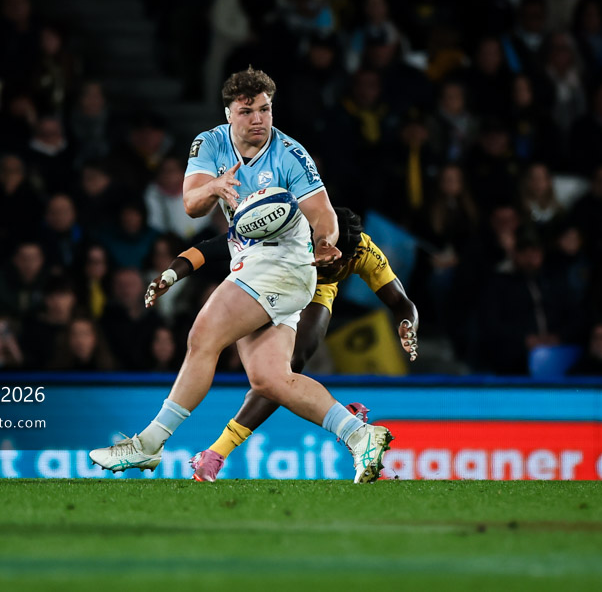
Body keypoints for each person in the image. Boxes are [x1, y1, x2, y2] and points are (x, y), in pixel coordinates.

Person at [88, 68, 394, 483]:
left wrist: (325, 241)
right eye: (247, 110)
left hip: (286, 264)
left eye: (265, 109)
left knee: (202, 337)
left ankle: (149, 444)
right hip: (251, 264)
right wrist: (214, 187)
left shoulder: (290, 153)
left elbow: (322, 212)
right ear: (229, 112)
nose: (258, 119)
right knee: (271, 379)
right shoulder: (210, 143)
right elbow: (191, 205)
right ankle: (360, 436)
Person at [145, 207, 418, 482]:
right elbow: (213, 246)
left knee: (288, 367)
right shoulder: (286, 229)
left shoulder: (364, 251)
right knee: (263, 373)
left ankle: (217, 453)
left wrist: (408, 324)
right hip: (272, 279)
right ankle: (347, 426)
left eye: (339, 261)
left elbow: (401, 302)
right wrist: (172, 273)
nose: (332, 263)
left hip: (316, 291)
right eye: (326, 255)